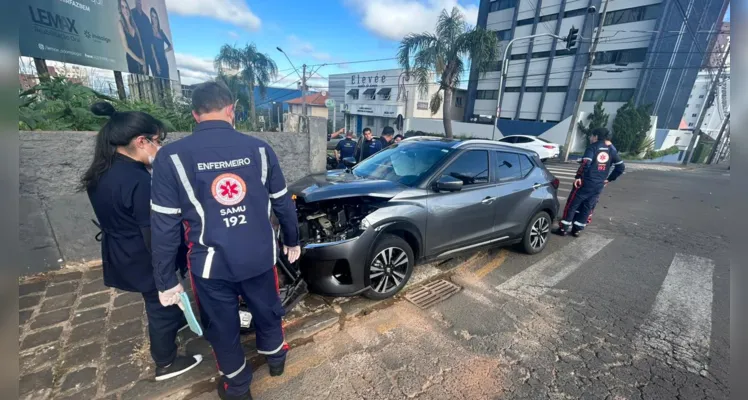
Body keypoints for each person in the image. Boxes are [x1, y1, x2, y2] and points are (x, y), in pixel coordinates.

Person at [150, 82, 300, 400]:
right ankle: (276, 359)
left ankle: (238, 386)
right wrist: (292, 239)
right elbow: (284, 202)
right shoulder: (260, 149)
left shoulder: (171, 157)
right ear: (231, 109)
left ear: (194, 114)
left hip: (210, 265)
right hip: (259, 257)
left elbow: (163, 225)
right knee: (268, 309)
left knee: (222, 326)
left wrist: (166, 280)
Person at [81, 102, 202, 381]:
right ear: (140, 141)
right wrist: (166, 274)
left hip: (120, 249)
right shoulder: (138, 181)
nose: (159, 147)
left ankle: (180, 322)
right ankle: (166, 362)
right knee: (160, 304)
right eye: (158, 141)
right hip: (143, 252)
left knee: (162, 302)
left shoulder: (101, 172)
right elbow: (155, 231)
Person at [556, 127, 624, 237]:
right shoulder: (611, 150)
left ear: (596, 136)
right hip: (599, 184)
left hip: (585, 183)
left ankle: (564, 228)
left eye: (591, 135)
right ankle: (577, 230)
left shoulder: (593, 147)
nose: (590, 137)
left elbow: (586, 162)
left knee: (572, 204)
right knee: (587, 206)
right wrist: (609, 179)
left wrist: (578, 176)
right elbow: (620, 167)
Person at [118, 0, 146, 74]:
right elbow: (126, 48)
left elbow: (140, 44)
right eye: (122, 7)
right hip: (132, 61)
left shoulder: (134, 23)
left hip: (142, 60)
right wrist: (139, 60)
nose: (125, 9)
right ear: (120, 9)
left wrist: (144, 62)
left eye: (126, 7)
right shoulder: (120, 24)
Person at [131, 0, 156, 75]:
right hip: (138, 49)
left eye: (139, 1)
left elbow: (150, 36)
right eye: (137, 1)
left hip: (148, 50)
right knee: (142, 73)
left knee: (152, 73)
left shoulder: (145, 17)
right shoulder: (131, 13)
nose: (138, 3)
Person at [148, 7, 173, 79]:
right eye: (152, 17)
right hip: (156, 61)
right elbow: (152, 48)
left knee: (167, 81)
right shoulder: (150, 31)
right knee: (158, 83)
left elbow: (170, 46)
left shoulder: (161, 32)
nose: (154, 19)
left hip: (164, 60)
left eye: (155, 17)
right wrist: (157, 64)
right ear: (151, 17)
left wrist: (164, 51)